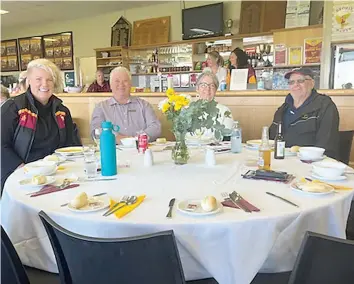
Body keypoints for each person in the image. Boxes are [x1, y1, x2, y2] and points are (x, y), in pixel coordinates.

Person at [1, 59, 81, 192]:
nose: (44, 84)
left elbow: (71, 145)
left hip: (57, 176)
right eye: (38, 79)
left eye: (49, 79)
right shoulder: (13, 107)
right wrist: (23, 170)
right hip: (21, 176)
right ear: (29, 81)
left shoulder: (62, 111)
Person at [269, 68, 339, 159]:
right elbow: (271, 139)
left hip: (310, 161)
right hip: (283, 160)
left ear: (312, 83)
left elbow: (326, 145)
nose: (296, 85)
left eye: (300, 81)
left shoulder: (324, 106)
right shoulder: (283, 109)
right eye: (291, 82)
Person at [90, 66, 161, 143]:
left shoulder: (144, 105)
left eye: (125, 81)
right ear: (110, 85)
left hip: (140, 149)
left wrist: (137, 138)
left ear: (131, 84)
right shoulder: (101, 108)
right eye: (117, 81)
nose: (121, 84)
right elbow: (96, 131)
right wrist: (118, 138)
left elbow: (156, 127)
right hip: (112, 150)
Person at [186, 71, 234, 141]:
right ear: (197, 88)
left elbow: (227, 140)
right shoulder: (187, 110)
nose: (207, 89)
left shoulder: (225, 111)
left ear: (216, 90)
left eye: (212, 86)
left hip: (215, 151)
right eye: (203, 85)